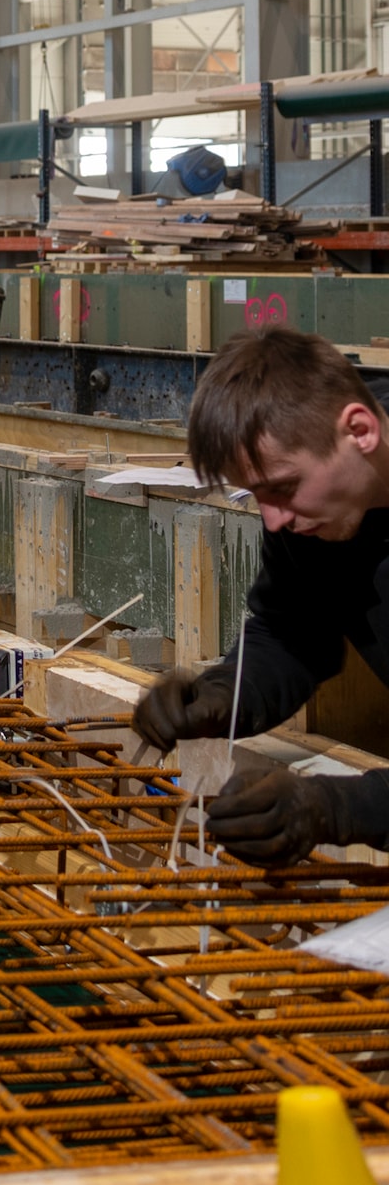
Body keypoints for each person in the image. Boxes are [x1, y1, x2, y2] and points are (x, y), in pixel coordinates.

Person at [132, 327, 389, 868]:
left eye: (284, 488)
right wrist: (223, 696)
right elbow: (293, 631)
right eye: (257, 495)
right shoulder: (311, 515)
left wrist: (341, 809)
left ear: (359, 430)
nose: (273, 519)